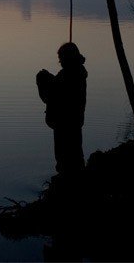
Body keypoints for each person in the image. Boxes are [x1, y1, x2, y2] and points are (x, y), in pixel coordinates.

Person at [36, 42, 87, 175]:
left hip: (64, 123)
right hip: (74, 121)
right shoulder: (77, 71)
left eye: (61, 58)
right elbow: (59, 87)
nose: (59, 61)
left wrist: (41, 81)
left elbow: (51, 97)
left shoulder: (69, 75)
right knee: (75, 153)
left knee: (65, 156)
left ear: (67, 57)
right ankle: (76, 178)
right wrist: (50, 78)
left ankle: (68, 183)